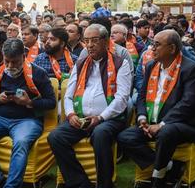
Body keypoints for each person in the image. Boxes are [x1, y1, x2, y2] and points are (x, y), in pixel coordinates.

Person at [118, 30, 195, 188]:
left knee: (166, 132)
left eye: (157, 45)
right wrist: (142, 118)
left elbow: (188, 103)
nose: (152, 48)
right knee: (124, 136)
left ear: (172, 49)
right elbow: (142, 96)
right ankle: (172, 167)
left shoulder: (191, 68)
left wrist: (161, 124)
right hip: (151, 121)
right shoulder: (152, 65)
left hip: (182, 124)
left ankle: (158, 179)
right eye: (152, 44)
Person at [47, 24, 132, 188]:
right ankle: (80, 183)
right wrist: (71, 114)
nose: (90, 45)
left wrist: (101, 117)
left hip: (109, 118)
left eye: (94, 40)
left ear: (106, 41)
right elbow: (69, 95)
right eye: (86, 41)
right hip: (81, 117)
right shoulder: (80, 64)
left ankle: (104, 184)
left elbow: (122, 98)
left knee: (100, 134)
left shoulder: (120, 63)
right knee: (55, 137)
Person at [0, 38, 56, 188]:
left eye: (15, 62)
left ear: (23, 57)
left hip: (28, 120)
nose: (10, 66)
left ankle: (11, 185)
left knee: (21, 142)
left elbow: (51, 102)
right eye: (7, 61)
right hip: (0, 118)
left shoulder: (38, 73)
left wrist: (29, 102)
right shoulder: (0, 71)